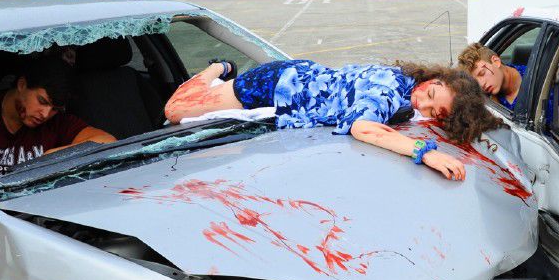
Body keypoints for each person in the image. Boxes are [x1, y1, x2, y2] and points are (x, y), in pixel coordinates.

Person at [162, 59, 501, 180]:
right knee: (175, 111)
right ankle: (219, 68)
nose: (421, 105)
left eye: (433, 112)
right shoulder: (387, 88)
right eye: (429, 93)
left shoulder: (408, 96)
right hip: (277, 84)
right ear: (434, 78)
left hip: (297, 83)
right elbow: (362, 127)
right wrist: (424, 152)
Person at [0, 57, 116, 176]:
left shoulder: (57, 123)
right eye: (42, 101)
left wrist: (52, 157)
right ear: (22, 85)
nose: (45, 114)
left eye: (54, 109)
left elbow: (107, 142)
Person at [457, 42, 559, 121]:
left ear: (496, 61)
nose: (482, 84)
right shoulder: (486, 99)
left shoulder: (542, 80)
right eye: (476, 83)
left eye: (482, 73)